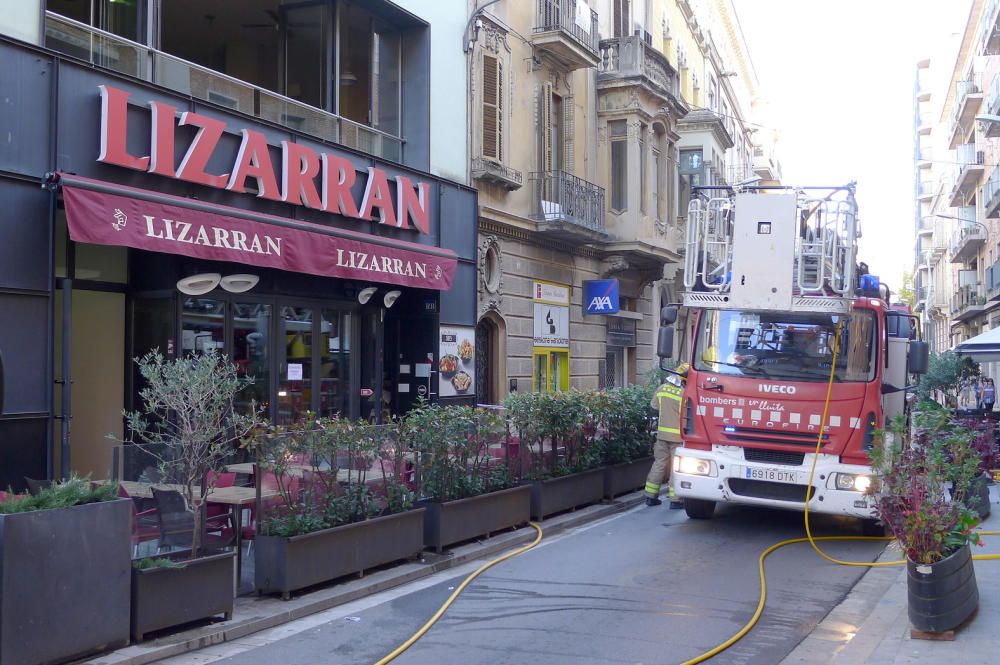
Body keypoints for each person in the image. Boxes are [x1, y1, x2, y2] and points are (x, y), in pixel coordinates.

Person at [646, 363, 687, 508]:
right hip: (678, 438)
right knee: (677, 467)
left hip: (662, 435)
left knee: (659, 464)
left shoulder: (662, 389)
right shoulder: (684, 394)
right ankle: (675, 500)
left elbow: (653, 407)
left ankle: (651, 496)